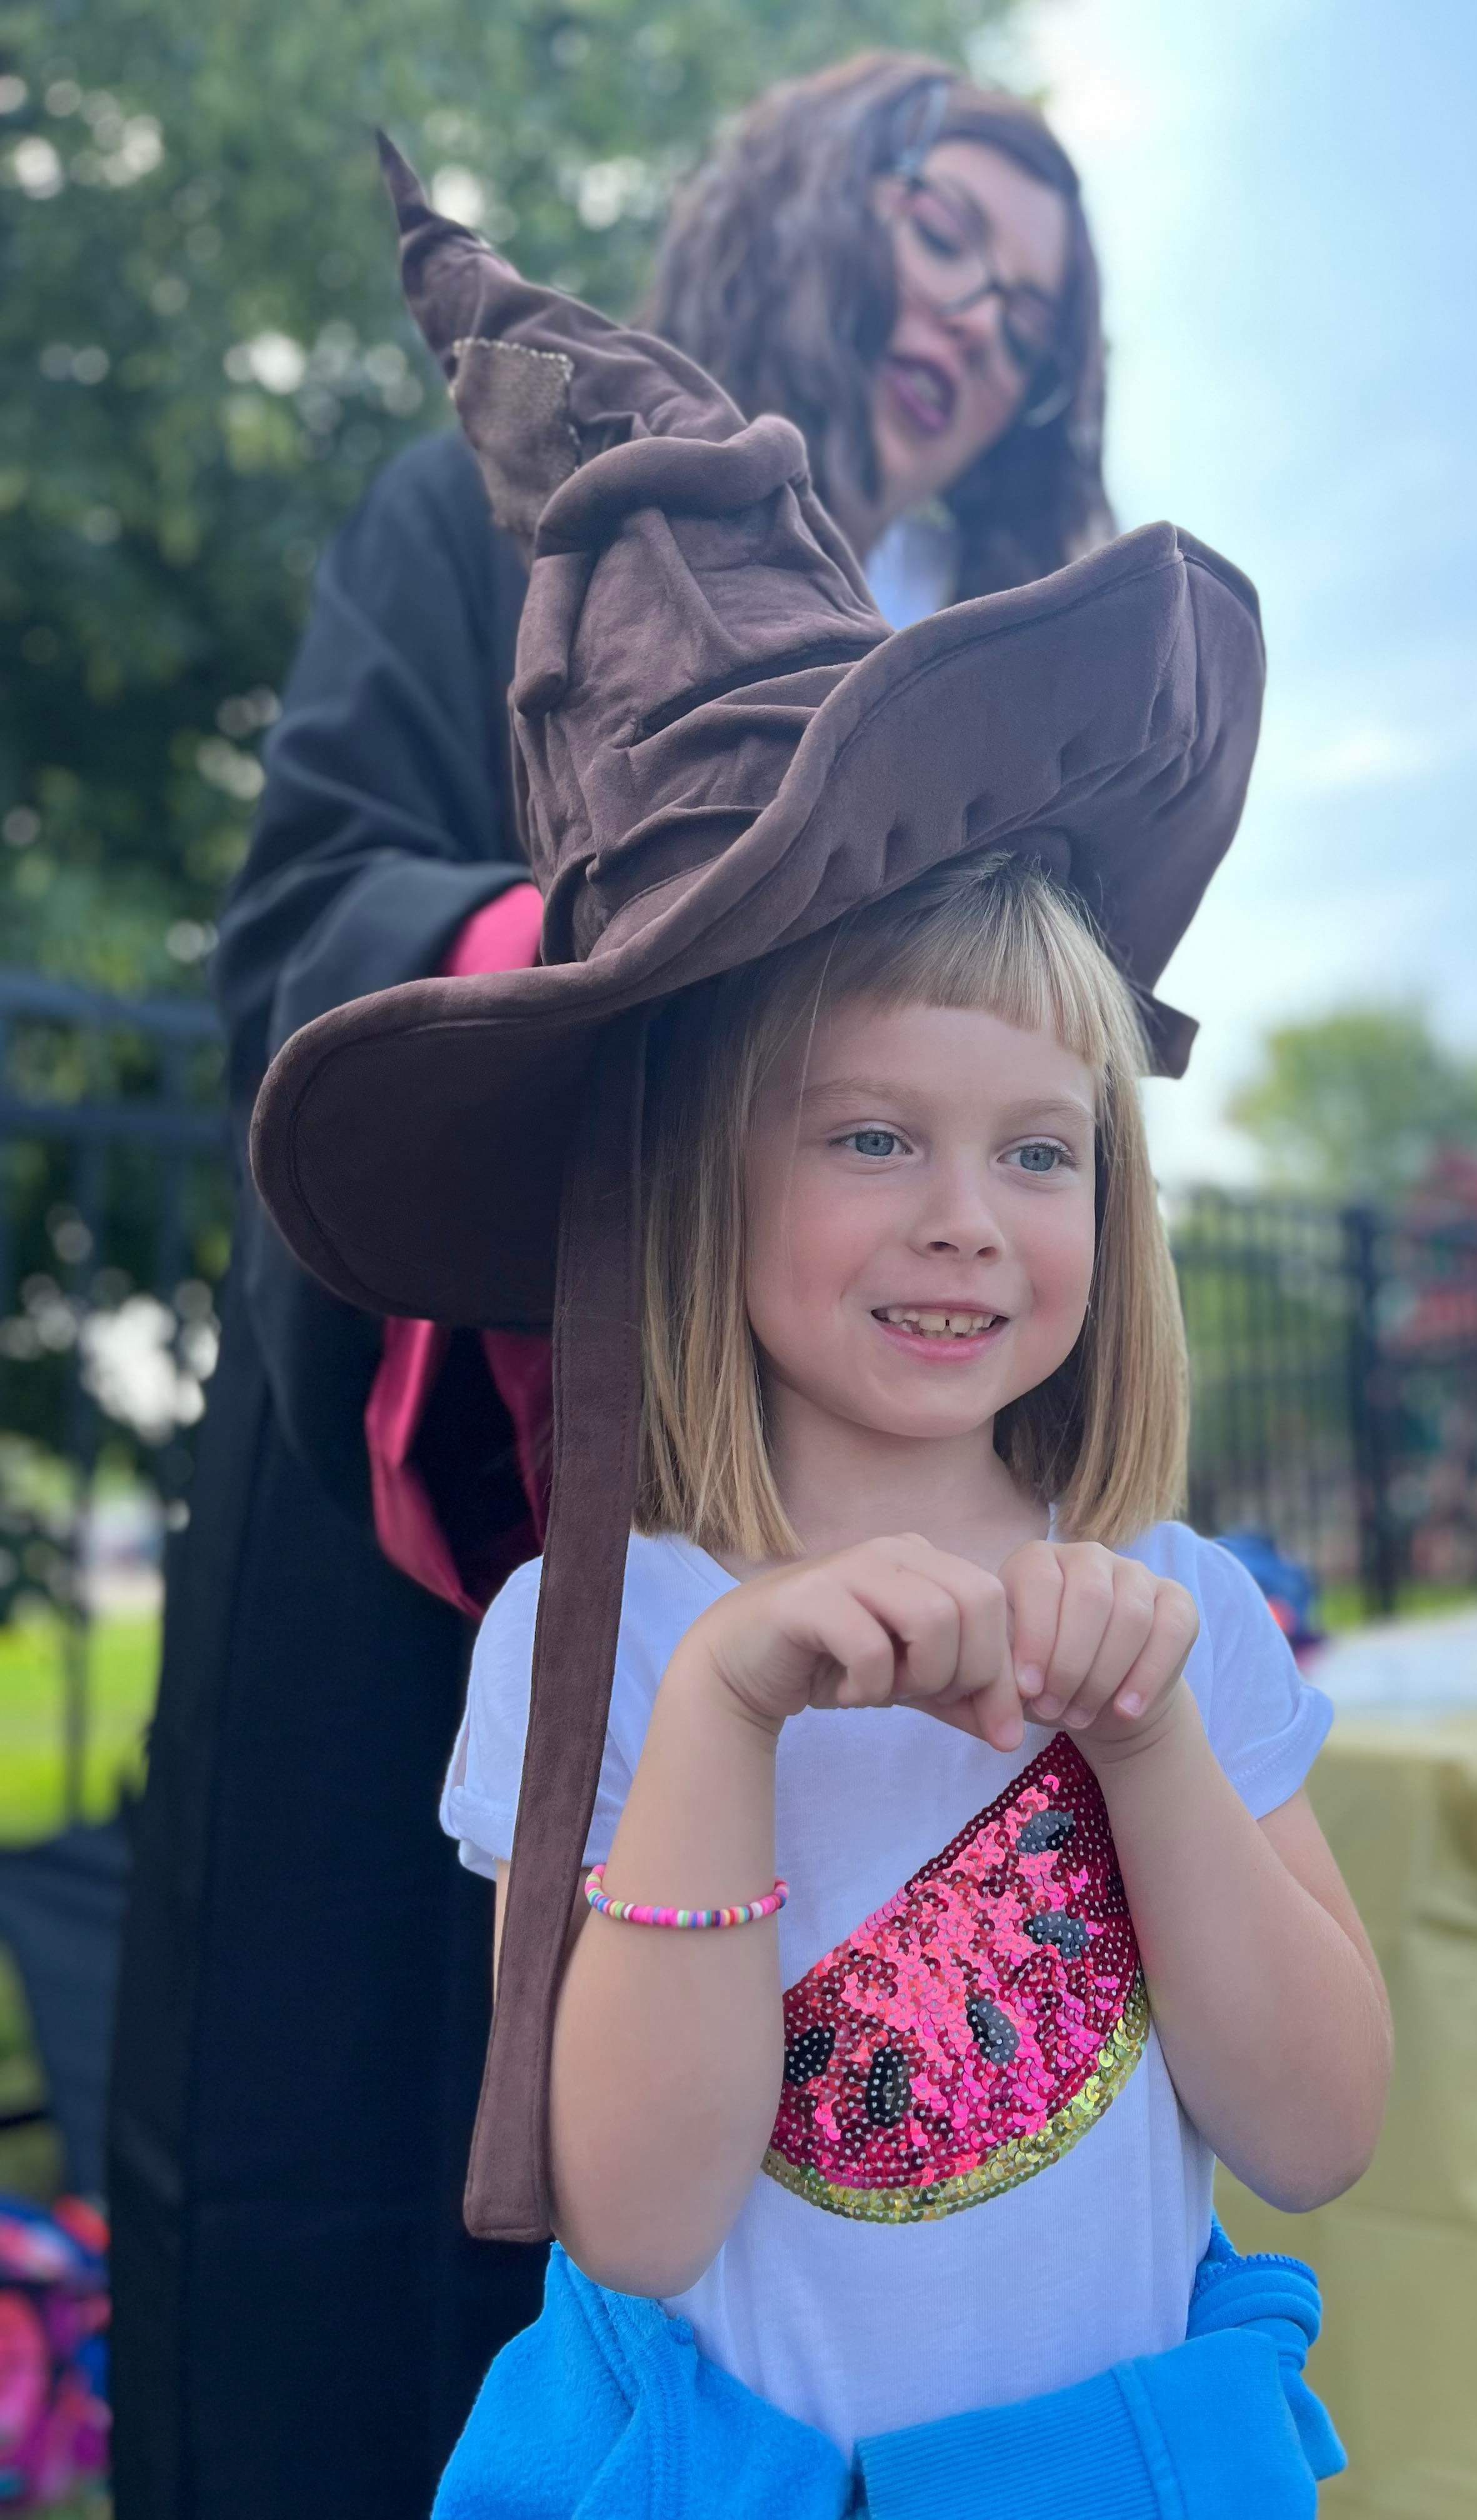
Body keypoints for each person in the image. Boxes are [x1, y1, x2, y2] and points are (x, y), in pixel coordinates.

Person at [246, 158, 1387, 2510]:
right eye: (867, 1139)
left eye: (1039, 1149)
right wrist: (728, 1707)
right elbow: (642, 2209)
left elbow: (1317, 2124)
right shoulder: (596, 1640)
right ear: (703, 1181)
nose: (965, 1218)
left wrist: (1155, 1739)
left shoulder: (1178, 1606)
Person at [109, 56, 1111, 2520]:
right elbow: (308, 924)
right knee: (373, 2227)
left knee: (796, 2245)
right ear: (802, 198)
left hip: (837, 1568)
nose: (983, 318)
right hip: (442, 1541)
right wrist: (621, 944)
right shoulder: (494, 522)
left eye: (1037, 307)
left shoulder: (985, 672)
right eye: (948, 229)